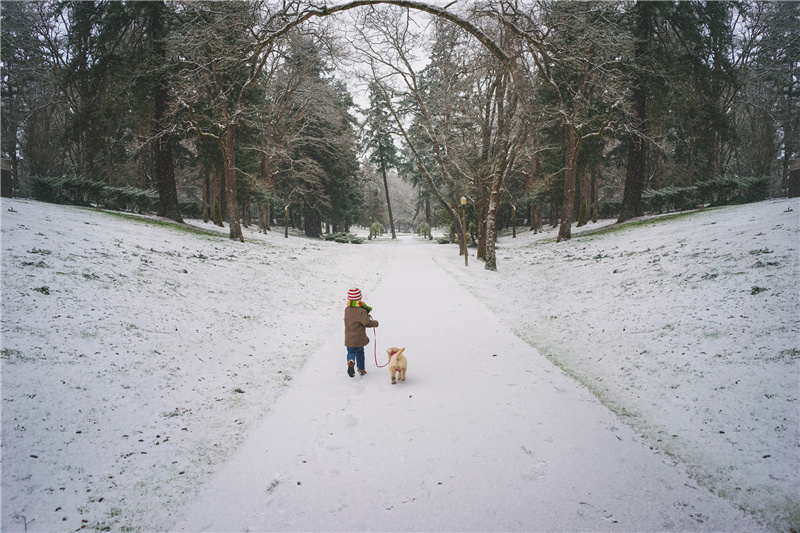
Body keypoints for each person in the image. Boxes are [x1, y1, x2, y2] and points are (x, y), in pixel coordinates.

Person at [343, 287, 379, 377]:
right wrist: (375, 323)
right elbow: (366, 322)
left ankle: (351, 361)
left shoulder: (347, 309)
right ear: (359, 298)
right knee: (360, 353)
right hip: (359, 338)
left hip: (349, 338)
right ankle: (361, 369)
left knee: (351, 352)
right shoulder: (361, 310)